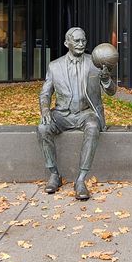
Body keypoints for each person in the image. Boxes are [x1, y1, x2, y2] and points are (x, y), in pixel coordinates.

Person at [37, 27, 117, 200]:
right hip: (61, 114)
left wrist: (106, 79)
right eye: (77, 41)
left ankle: (80, 180)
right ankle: (54, 174)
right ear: (67, 43)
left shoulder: (95, 63)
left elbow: (112, 91)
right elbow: (45, 93)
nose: (81, 44)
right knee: (43, 128)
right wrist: (45, 109)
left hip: (86, 113)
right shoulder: (54, 66)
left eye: (83, 40)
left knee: (93, 127)